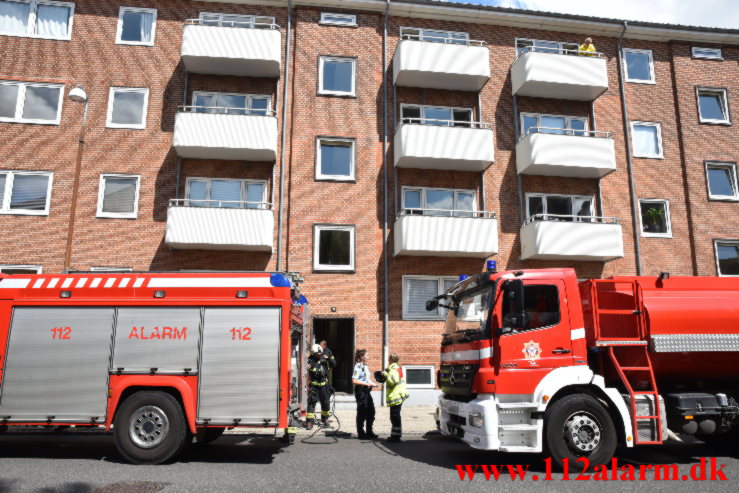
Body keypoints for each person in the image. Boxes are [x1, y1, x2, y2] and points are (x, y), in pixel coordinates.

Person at [381, 353, 409, 442]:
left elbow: (393, 382)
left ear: (391, 359)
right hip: (399, 395)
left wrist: (386, 374)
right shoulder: (397, 368)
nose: (388, 361)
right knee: (396, 416)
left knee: (394, 417)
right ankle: (396, 435)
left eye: (389, 359)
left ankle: (395, 437)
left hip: (395, 396)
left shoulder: (393, 369)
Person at [351, 349, 378, 440]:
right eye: (367, 355)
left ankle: (369, 432)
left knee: (371, 411)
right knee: (362, 412)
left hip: (367, 392)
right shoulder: (358, 366)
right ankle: (361, 433)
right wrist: (366, 384)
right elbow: (354, 380)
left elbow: (366, 379)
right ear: (362, 357)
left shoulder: (364, 366)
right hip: (361, 392)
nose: (368, 357)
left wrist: (373, 383)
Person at [306, 344, 332, 430]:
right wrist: (307, 364)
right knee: (311, 403)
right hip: (314, 386)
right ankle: (309, 421)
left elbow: (334, 364)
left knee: (326, 403)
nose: (319, 355)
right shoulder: (310, 360)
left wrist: (329, 359)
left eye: (320, 353)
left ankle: (325, 419)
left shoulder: (324, 359)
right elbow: (304, 367)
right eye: (317, 353)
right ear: (313, 353)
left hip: (324, 385)